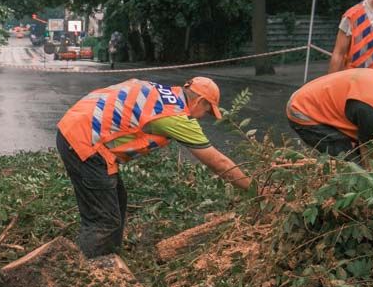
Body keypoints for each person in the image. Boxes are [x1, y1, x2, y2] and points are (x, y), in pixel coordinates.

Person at [56, 77, 252, 258]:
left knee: (117, 201)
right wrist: (255, 189)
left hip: (76, 126)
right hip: (85, 142)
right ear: (199, 101)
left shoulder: (163, 94)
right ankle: (80, 273)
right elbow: (219, 163)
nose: (202, 117)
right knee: (104, 222)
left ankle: (110, 263)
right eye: (207, 111)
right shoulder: (176, 116)